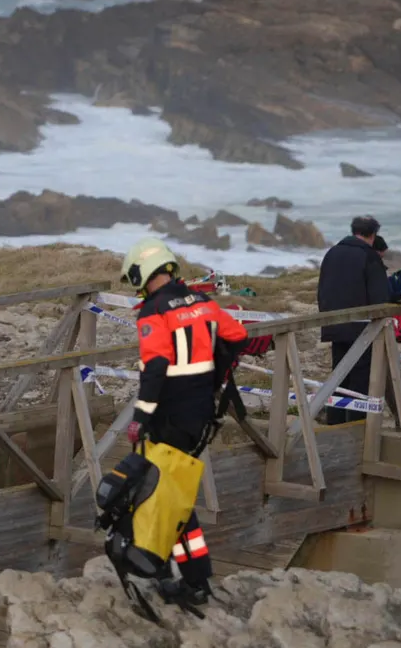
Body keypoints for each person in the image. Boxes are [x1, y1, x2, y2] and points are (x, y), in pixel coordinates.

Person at [119, 237, 248, 607]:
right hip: (200, 415)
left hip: (168, 416)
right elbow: (237, 336)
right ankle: (187, 573)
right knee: (176, 494)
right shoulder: (202, 302)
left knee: (163, 493)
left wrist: (140, 416)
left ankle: (186, 578)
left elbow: (156, 366)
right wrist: (217, 374)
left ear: (141, 274)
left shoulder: (153, 313)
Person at [316, 216, 391, 424]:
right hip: (361, 329)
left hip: (334, 324)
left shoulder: (332, 253)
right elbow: (380, 298)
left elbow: (321, 289)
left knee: (338, 377)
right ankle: (357, 427)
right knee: (360, 381)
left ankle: (334, 423)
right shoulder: (368, 256)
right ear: (373, 234)